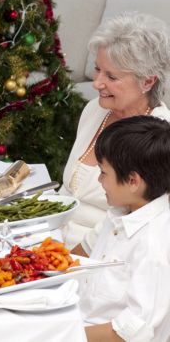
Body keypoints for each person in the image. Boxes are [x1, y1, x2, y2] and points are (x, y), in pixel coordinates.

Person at [61, 12, 170, 251]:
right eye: (98, 69)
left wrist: (64, 262)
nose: (97, 83)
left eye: (111, 76)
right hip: (54, 242)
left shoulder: (158, 138)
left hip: (98, 256)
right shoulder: (94, 110)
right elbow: (67, 192)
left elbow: (131, 225)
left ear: (147, 82)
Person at [77, 115, 170, 342]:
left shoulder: (154, 242)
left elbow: (132, 330)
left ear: (132, 181)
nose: (99, 180)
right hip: (80, 322)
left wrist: (62, 336)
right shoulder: (121, 213)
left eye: (103, 172)